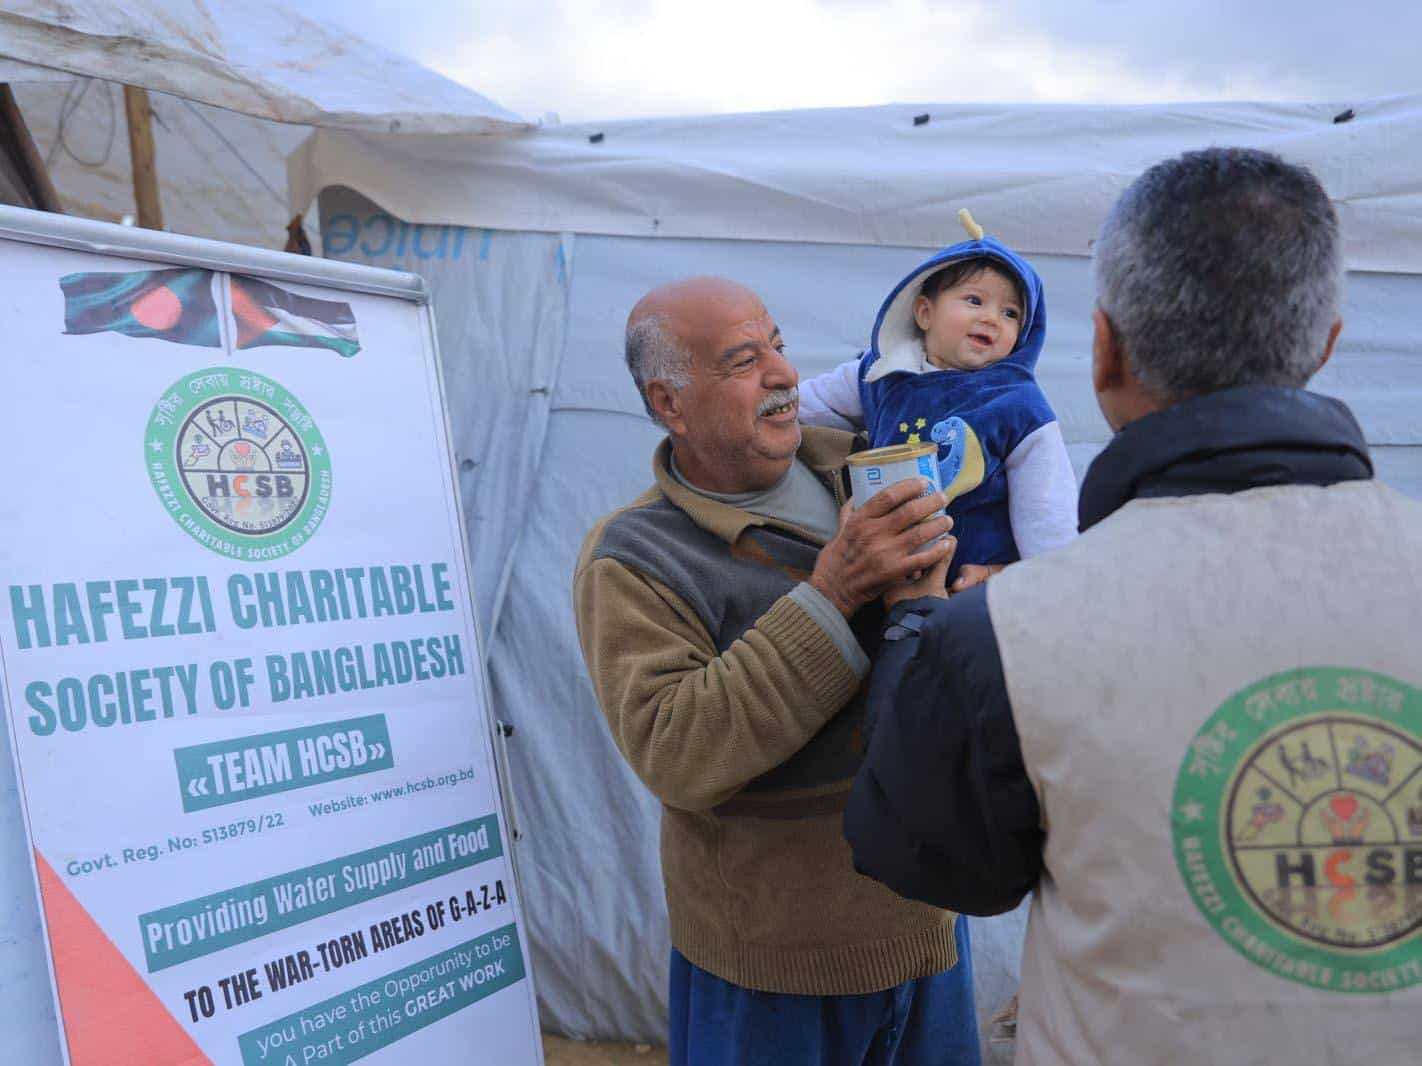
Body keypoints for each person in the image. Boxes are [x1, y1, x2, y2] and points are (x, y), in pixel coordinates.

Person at [844, 146, 1422, 1064]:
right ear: (1326, 345)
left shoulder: (1001, 633)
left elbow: (921, 857)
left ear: (1104, 347)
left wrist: (917, 615)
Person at [574, 276, 982, 1064]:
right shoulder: (634, 558)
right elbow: (678, 752)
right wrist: (837, 589)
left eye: (780, 346)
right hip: (772, 974)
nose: (784, 375)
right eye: (742, 361)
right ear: (670, 404)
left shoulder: (872, 467)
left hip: (930, 929)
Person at [797, 216, 1076, 592]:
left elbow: (1048, 514)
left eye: (1011, 313)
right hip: (884, 580)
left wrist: (1038, 581)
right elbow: (801, 407)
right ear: (924, 312)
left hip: (974, 589)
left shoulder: (1017, 405)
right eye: (974, 300)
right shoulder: (883, 374)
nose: (991, 318)